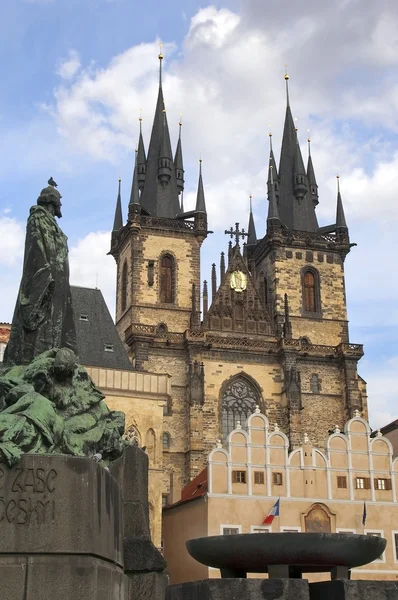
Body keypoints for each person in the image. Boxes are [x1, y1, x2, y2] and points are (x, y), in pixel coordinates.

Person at [4, 183, 76, 365]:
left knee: (56, 323)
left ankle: (52, 358)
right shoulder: (37, 219)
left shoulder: (54, 225)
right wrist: (45, 274)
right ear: (53, 201)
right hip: (45, 278)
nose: (61, 206)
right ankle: (34, 362)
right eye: (59, 201)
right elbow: (35, 248)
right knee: (41, 323)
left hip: (59, 281)